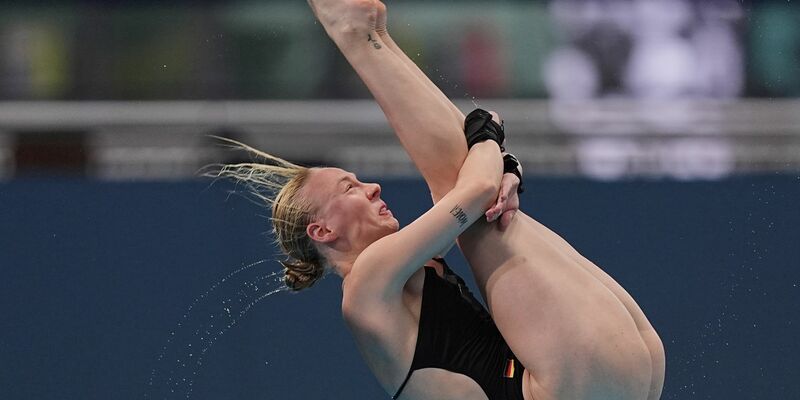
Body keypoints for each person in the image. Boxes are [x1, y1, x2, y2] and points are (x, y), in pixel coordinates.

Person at [211, 1, 665, 399]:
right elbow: (471, 192)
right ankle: (356, 35)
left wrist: (498, 158)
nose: (372, 188)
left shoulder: (401, 276)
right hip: (574, 384)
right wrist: (490, 138)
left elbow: (476, 189)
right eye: (349, 188)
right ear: (323, 231)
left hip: (602, 381)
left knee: (468, 201)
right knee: (466, 201)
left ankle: (366, 35)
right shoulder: (365, 284)